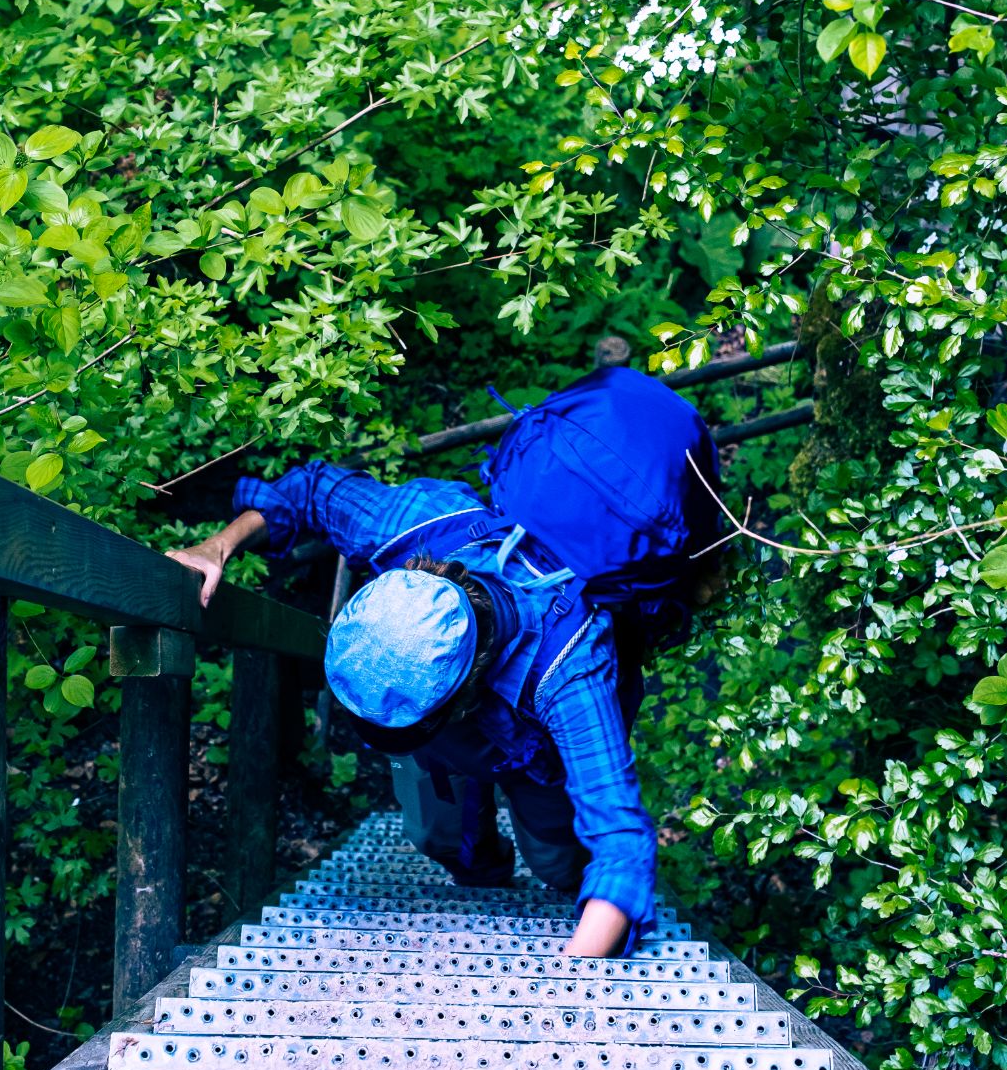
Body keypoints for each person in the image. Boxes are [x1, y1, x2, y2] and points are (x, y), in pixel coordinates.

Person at [168, 370, 723, 959]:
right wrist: (217, 546)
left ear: (457, 699)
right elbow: (310, 491)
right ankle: (483, 875)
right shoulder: (420, 526)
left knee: (557, 860)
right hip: (445, 747)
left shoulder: (572, 667)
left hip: (538, 756)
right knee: (436, 837)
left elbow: (620, 841)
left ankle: (562, 895)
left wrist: (571, 977)